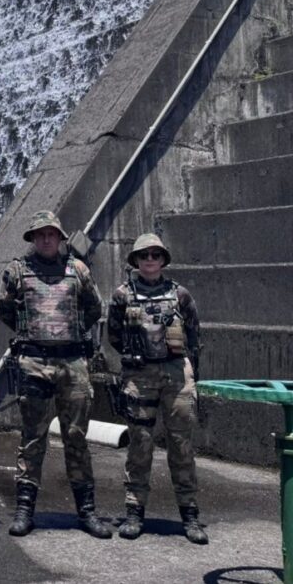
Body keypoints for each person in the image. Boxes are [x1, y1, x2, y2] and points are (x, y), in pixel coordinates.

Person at [0, 210, 111, 539]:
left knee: (77, 439)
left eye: (52, 234)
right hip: (34, 364)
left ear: (60, 238)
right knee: (32, 440)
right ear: (33, 238)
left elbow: (95, 308)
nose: (46, 239)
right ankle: (24, 511)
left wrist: (69, 334)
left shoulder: (78, 270)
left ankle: (87, 512)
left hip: (73, 365)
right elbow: (4, 310)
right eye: (40, 234)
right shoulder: (17, 272)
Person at [107, 232, 207, 544]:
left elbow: (194, 335)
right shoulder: (122, 295)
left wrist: (190, 373)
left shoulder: (180, 295)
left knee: (182, 446)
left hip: (176, 375)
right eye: (143, 255)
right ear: (135, 260)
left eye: (155, 255)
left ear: (163, 259)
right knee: (140, 445)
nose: (149, 260)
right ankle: (135, 512)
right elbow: (113, 335)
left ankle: (189, 515)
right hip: (140, 377)